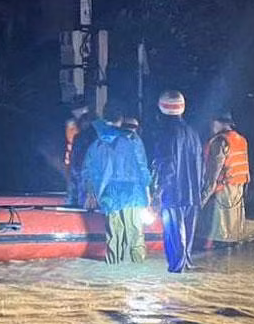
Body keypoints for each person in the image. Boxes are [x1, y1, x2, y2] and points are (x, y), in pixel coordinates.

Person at [82, 101, 152, 264]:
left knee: (113, 238)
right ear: (121, 120)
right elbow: (142, 168)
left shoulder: (96, 143)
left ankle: (113, 274)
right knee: (136, 236)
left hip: (109, 194)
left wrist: (90, 193)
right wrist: (148, 193)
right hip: (132, 193)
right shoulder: (132, 140)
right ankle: (138, 273)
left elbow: (88, 171)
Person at [151, 90, 202, 273]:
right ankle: (186, 279)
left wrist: (158, 193)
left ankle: (175, 287)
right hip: (192, 195)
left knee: (175, 246)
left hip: (174, 195)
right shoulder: (193, 133)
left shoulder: (166, 135)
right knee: (186, 246)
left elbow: (167, 167)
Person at [200, 112, 250, 248]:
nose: (211, 126)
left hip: (222, 191)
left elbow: (213, 173)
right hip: (238, 188)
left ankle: (216, 248)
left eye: (213, 123)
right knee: (233, 230)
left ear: (220, 123)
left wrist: (202, 199)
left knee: (218, 230)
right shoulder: (241, 140)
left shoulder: (220, 141)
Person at [67, 111, 97, 207]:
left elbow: (75, 155)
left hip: (82, 170)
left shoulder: (81, 138)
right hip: (84, 170)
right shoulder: (95, 138)